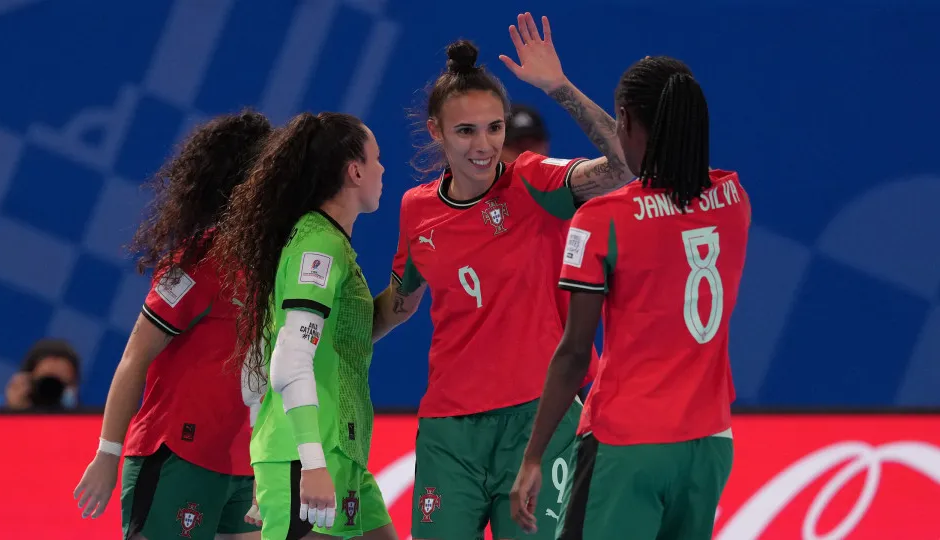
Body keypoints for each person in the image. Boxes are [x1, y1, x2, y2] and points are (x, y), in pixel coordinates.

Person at [371, 14, 634, 540]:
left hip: (538, 424)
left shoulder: (532, 182)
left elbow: (627, 168)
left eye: (493, 128)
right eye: (466, 131)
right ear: (437, 132)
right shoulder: (416, 210)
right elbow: (400, 304)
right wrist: (323, 340)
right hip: (449, 433)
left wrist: (560, 87)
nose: (483, 146)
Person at [510, 56, 751, 540]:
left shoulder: (604, 219)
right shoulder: (734, 200)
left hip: (629, 444)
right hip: (709, 444)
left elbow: (575, 353)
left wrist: (533, 456)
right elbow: (655, 169)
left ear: (624, 120)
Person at [72, 111, 272, 540]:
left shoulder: (278, 262)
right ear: (244, 181)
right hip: (176, 456)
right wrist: (107, 454)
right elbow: (135, 357)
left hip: (243, 465)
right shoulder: (198, 261)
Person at [215, 111, 395, 540]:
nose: (383, 169)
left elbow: (258, 361)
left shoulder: (323, 241)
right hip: (312, 461)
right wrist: (310, 466)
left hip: (340, 455)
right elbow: (288, 361)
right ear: (354, 171)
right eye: (377, 159)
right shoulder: (318, 247)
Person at [4, 338, 80, 410]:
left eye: (59, 384)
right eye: (46, 383)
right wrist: (14, 412)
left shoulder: (88, 421)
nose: (52, 391)